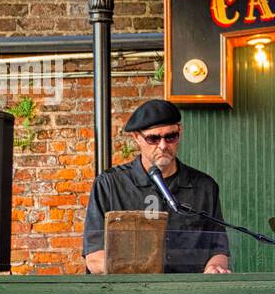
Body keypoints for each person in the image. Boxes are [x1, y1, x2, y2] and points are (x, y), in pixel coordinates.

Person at [82, 98, 231, 274]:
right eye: (153, 138)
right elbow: (94, 257)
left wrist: (215, 267)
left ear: (179, 131)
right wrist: (140, 269)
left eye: (170, 137)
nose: (163, 146)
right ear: (137, 137)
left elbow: (219, 248)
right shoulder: (110, 185)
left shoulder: (204, 186)